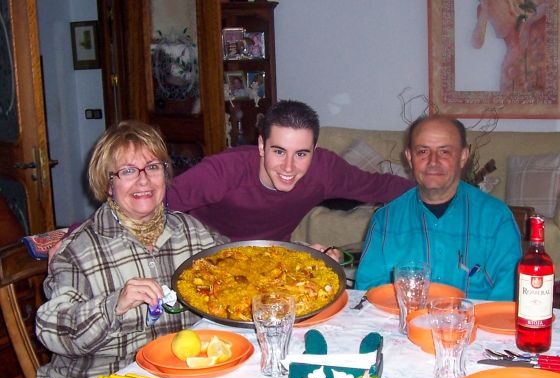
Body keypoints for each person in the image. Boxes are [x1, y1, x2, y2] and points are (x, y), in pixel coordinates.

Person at [36, 121, 226, 378]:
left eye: (152, 167)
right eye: (127, 171)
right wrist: (114, 305)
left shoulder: (193, 233)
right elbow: (52, 330)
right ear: (108, 184)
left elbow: (240, 268)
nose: (143, 181)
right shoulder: (79, 249)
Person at [166, 100, 414, 243]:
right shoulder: (224, 171)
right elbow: (159, 202)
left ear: (314, 150)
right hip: (209, 250)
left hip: (274, 259)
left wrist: (447, 192)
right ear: (262, 145)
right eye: (279, 151)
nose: (288, 167)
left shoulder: (325, 170)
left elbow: (380, 186)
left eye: (301, 154)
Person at [355, 115, 522, 301]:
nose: (433, 162)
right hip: (400, 328)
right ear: (409, 158)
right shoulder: (384, 221)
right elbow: (368, 295)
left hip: (475, 327)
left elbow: (508, 299)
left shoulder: (496, 220)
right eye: (423, 151)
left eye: (444, 152)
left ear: (463, 156)